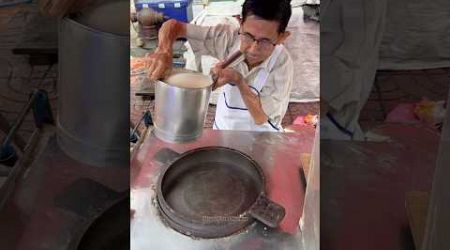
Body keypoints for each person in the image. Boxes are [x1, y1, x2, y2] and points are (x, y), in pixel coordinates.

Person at [146, 0, 294, 132]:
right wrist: (164, 50)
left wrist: (239, 81)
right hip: (223, 130)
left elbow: (260, 118)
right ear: (240, 23)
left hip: (261, 138)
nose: (253, 49)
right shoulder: (229, 38)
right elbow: (174, 26)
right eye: (248, 36)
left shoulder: (281, 64)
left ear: (282, 37)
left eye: (265, 41)